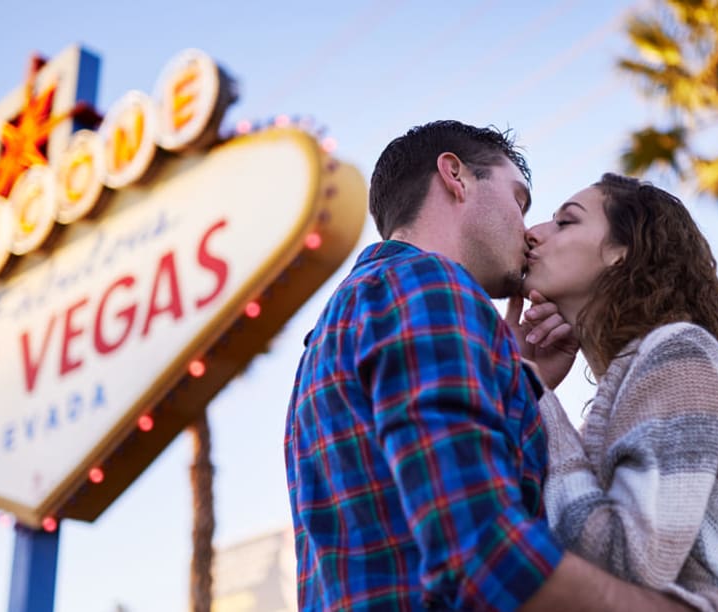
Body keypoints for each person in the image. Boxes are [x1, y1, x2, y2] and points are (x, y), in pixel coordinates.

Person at [284, 121, 693, 610]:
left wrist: (520, 379)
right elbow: (481, 555)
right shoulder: (428, 283)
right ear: (455, 175)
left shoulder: (338, 326)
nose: (528, 231)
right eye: (519, 202)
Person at [517, 172, 718, 611]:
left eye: (566, 222)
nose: (532, 233)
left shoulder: (680, 353)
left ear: (621, 254)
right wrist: (538, 386)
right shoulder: (629, 388)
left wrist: (530, 390)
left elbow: (628, 562)